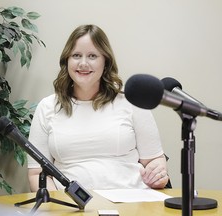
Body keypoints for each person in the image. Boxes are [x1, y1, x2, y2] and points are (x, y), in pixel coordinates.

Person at [27, 24, 169, 192]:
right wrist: (58, 205)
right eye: (76, 55)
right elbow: (37, 173)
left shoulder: (131, 102)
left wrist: (158, 174)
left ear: (106, 61)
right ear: (67, 60)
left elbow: (155, 160)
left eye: (92, 56)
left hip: (131, 202)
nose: (83, 63)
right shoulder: (47, 107)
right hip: (72, 207)